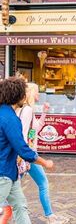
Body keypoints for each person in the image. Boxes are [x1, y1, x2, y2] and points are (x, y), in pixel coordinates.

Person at [0, 78, 54, 224]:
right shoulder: (10, 118)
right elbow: (23, 149)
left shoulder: (6, 114)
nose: (25, 96)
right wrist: (45, 163)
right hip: (3, 173)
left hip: (10, 173)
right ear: (17, 95)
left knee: (20, 206)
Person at [17, 83, 70, 224]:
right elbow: (22, 134)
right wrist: (25, 156)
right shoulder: (27, 110)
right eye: (37, 91)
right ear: (31, 93)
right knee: (37, 184)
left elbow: (36, 128)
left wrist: (45, 112)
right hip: (27, 155)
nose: (39, 94)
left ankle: (49, 216)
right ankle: (49, 217)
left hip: (27, 154)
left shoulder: (28, 110)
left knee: (18, 185)